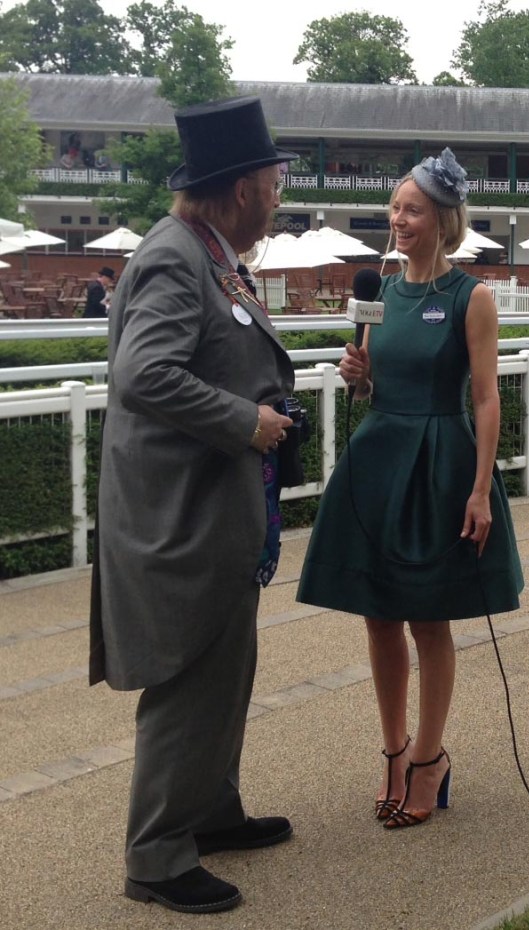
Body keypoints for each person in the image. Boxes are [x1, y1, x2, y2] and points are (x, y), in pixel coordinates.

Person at [89, 96, 298, 913]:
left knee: (224, 670)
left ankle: (208, 810)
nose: (279, 199)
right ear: (242, 188)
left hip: (214, 512)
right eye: (274, 185)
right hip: (182, 518)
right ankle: (157, 857)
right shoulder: (177, 256)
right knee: (188, 680)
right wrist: (248, 420)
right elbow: (144, 374)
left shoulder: (208, 251)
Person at [297, 148, 524, 831]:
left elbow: (485, 401)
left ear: (443, 219)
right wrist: (356, 374)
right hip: (378, 460)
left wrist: (481, 491)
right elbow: (370, 384)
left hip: (442, 464)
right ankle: (393, 752)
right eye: (396, 207)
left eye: (413, 209)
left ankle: (430, 759)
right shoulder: (377, 293)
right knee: (378, 614)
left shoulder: (470, 296)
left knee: (430, 619)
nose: (399, 219)